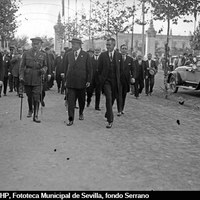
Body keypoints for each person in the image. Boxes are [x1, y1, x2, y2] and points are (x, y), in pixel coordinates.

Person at [62, 38, 92, 126]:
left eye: (74, 44)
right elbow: (65, 68)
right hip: (71, 82)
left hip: (81, 82)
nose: (72, 46)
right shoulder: (69, 55)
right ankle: (70, 119)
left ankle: (81, 112)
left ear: (79, 45)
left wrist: (88, 80)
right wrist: (65, 80)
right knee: (71, 102)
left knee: (82, 101)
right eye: (72, 44)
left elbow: (89, 69)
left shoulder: (85, 55)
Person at [19, 37, 47, 123]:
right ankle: (30, 109)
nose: (35, 45)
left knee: (36, 97)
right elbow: (22, 66)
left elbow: (45, 66)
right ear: (32, 44)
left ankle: (36, 115)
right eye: (34, 44)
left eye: (37, 44)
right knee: (29, 96)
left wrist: (43, 70)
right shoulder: (26, 53)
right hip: (27, 77)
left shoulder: (43, 55)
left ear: (40, 45)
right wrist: (21, 76)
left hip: (37, 77)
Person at [98, 38, 123, 128]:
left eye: (109, 45)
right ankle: (110, 120)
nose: (107, 46)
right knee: (108, 98)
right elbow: (99, 69)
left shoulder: (119, 56)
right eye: (107, 45)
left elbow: (121, 70)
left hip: (115, 82)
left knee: (112, 99)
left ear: (114, 45)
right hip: (106, 82)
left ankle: (107, 113)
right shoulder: (102, 55)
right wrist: (101, 79)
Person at [119, 44, 133, 114]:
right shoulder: (116, 58)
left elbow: (133, 69)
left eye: (125, 48)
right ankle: (119, 109)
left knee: (124, 95)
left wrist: (133, 77)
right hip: (118, 80)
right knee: (119, 94)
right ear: (120, 50)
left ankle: (122, 108)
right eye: (123, 48)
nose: (124, 50)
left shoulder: (130, 59)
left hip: (126, 80)